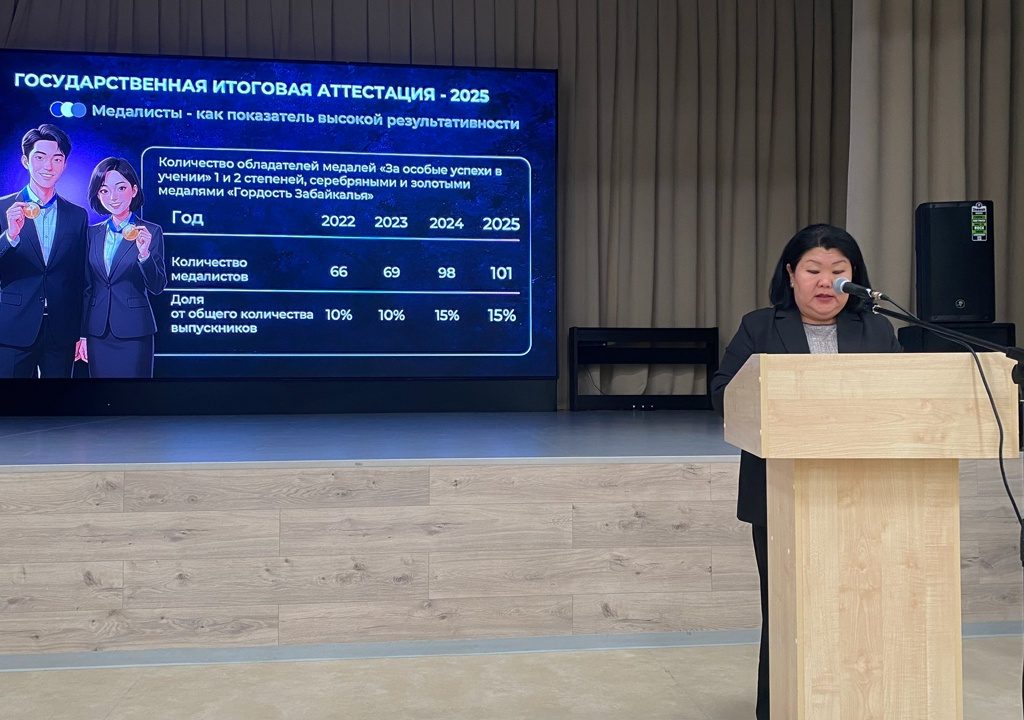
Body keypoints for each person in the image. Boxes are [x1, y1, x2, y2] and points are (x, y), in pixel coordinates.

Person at [709, 224, 901, 720]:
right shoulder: (759, 327)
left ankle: (855, 705)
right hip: (780, 493)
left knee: (859, 608)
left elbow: (901, 398)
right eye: (814, 270)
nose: (826, 281)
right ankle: (779, 709)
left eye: (839, 271)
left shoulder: (878, 330)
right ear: (791, 274)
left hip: (865, 494)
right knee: (787, 611)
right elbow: (723, 395)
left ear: (854, 277)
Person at [0, 124, 88, 377]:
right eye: (40, 157)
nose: (48, 166)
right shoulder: (3, 208)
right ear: (25, 161)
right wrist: (10, 235)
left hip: (61, 331)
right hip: (13, 327)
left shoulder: (77, 215)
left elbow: (80, 277)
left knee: (60, 402)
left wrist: (82, 332)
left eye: (57, 159)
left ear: (65, 164)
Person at [75, 157, 166, 377]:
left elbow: (157, 286)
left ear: (134, 190)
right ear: (97, 195)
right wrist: (82, 334)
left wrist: (144, 255)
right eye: (104, 191)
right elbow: (86, 288)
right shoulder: (91, 233)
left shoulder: (151, 231)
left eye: (121, 188)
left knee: (134, 395)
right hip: (97, 332)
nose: (113, 197)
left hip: (134, 331)